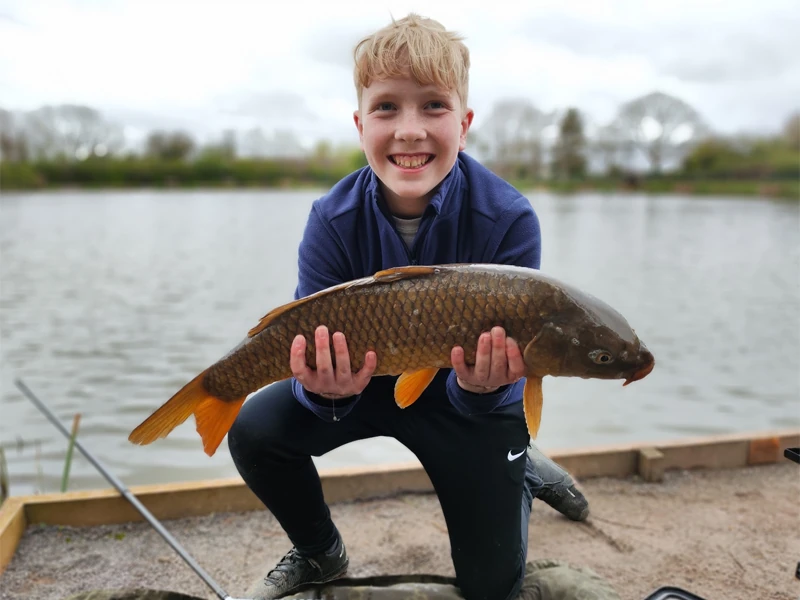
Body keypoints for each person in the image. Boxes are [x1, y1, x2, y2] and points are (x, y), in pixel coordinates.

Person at [228, 13, 588, 600]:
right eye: (387, 108)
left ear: (465, 124)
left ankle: (524, 469)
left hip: (461, 397)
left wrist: (480, 391)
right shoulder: (330, 219)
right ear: (360, 123)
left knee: (492, 588)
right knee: (255, 428)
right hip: (365, 384)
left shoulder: (510, 219)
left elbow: (517, 363)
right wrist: (325, 391)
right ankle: (321, 553)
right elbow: (306, 364)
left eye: (434, 107)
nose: (409, 130)